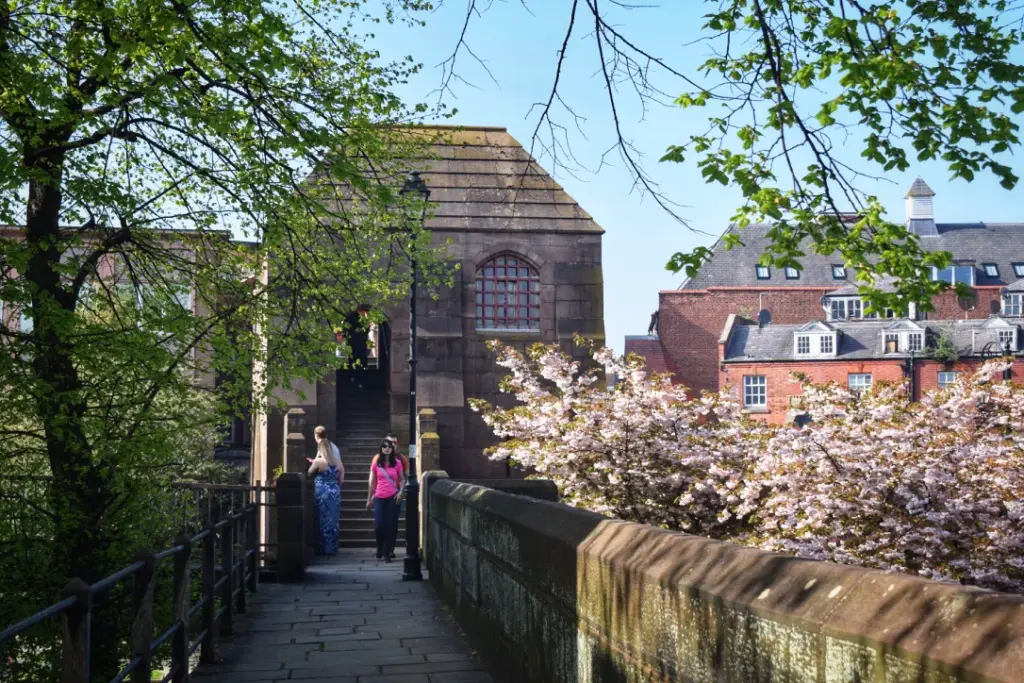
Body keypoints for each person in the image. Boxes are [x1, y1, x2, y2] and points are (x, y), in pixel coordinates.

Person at [366, 438, 405, 561]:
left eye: (389, 447)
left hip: (393, 497)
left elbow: (402, 479)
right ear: (381, 449)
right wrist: (369, 499)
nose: (387, 449)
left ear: (392, 449)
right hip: (379, 497)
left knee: (391, 526)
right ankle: (380, 546)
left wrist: (401, 492)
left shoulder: (397, 463)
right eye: (384, 447)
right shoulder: (376, 463)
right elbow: (372, 482)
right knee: (379, 525)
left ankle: (386, 553)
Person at [308, 425, 344, 555]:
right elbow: (341, 475)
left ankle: (322, 548)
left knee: (321, 519)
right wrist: (336, 485)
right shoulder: (337, 461)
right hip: (334, 491)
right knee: (333, 520)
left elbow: (309, 473)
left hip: (321, 492)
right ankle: (332, 548)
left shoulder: (319, 461)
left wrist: (312, 463)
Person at [384, 433, 410, 559]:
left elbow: (407, 476)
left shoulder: (401, 459)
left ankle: (390, 549)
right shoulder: (378, 458)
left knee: (392, 522)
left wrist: (402, 491)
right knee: (382, 523)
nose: (393, 445)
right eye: (390, 442)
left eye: (395, 443)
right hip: (382, 495)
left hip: (396, 495)